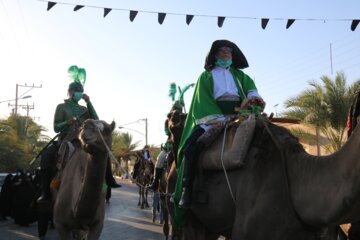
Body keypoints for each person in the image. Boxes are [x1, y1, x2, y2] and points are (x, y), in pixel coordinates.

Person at [174, 40, 265, 210]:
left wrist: (254, 98)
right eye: (222, 51)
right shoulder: (206, 76)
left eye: (229, 51)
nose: (226, 54)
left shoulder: (240, 76)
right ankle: (187, 190)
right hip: (213, 118)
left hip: (241, 115)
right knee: (190, 149)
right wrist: (220, 118)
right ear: (214, 55)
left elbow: (251, 89)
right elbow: (204, 100)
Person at [37, 66, 120, 203]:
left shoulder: (84, 108)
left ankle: (108, 182)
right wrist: (67, 123)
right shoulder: (61, 107)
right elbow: (56, 127)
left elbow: (96, 119)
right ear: (70, 92)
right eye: (77, 91)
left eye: (81, 91)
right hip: (65, 140)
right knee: (46, 157)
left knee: (102, 151)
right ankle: (45, 193)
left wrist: (89, 102)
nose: (79, 93)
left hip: (82, 140)